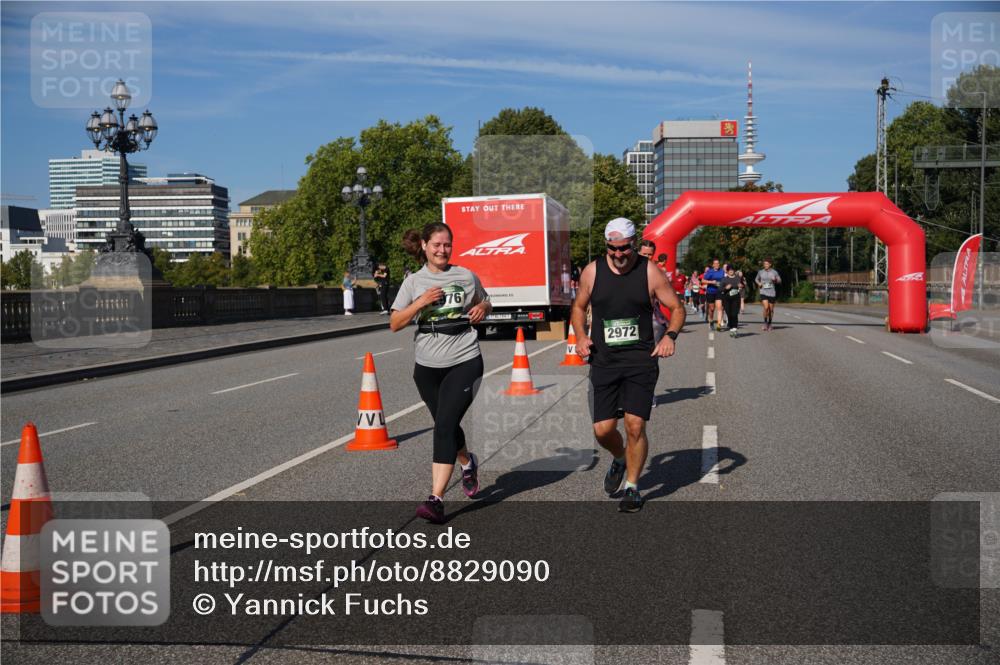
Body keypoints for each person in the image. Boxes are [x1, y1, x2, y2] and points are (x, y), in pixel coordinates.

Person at [571, 217, 685, 513]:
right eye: (613, 248)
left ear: (634, 244)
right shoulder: (593, 271)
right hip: (604, 361)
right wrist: (581, 336)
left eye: (624, 248)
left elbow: (676, 308)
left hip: (640, 361)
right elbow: (579, 307)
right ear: (606, 245)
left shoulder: (649, 272)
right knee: (602, 430)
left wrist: (670, 336)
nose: (619, 254)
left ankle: (633, 487)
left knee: (635, 425)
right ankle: (620, 458)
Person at [390, 223, 492, 524]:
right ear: (424, 245)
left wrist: (483, 308)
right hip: (427, 368)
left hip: (465, 359)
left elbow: (485, 300)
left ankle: (435, 499)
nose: (442, 250)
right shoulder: (413, 282)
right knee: (445, 425)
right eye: (436, 244)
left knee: (444, 426)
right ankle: (467, 462)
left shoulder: (465, 276)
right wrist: (420, 302)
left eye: (447, 245)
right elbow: (395, 323)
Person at [755, 258, 782, 331]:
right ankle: (765, 323)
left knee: (771, 309)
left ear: (770, 264)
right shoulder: (760, 272)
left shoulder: (774, 272)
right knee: (766, 307)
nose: (765, 265)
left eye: (767, 264)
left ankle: (770, 323)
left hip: (772, 292)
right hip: (763, 291)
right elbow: (756, 279)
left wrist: (775, 280)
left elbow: (780, 280)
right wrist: (759, 283)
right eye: (764, 264)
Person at [720, 264, 742, 337]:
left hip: (736, 298)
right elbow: (720, 289)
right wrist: (726, 288)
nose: (731, 271)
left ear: (734, 271)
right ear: (727, 271)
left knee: (734, 313)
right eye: (729, 270)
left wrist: (741, 285)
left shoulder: (737, 278)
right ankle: (731, 327)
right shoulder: (724, 279)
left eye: (732, 270)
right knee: (729, 314)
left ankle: (734, 329)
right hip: (726, 299)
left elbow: (743, 285)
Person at [702, 259, 725, 330]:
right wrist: (711, 282)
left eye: (718, 263)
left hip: (719, 291)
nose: (717, 264)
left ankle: (719, 324)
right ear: (713, 265)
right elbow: (703, 280)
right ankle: (711, 320)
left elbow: (724, 279)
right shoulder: (710, 271)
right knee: (712, 308)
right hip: (711, 291)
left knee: (720, 308)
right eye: (715, 263)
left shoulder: (722, 271)